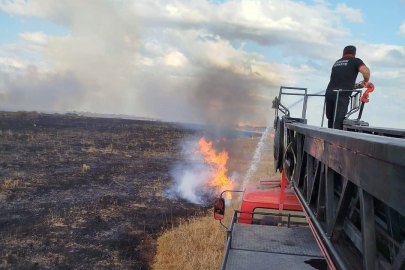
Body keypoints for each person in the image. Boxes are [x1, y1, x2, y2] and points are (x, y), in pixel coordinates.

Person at [325, 45, 370, 130]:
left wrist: (358, 86)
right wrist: (366, 81)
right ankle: (336, 141)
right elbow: (366, 71)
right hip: (342, 95)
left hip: (330, 93)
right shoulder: (355, 61)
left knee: (330, 119)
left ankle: (328, 139)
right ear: (354, 54)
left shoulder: (337, 62)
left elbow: (341, 81)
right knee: (338, 121)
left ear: (343, 53)